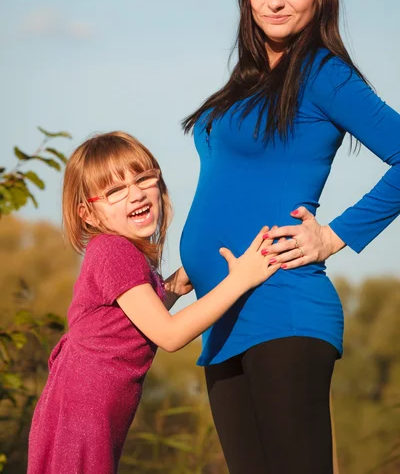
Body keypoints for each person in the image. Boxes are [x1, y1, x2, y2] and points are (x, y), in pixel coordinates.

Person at [180, 0, 400, 474]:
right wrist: (190, 268)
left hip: (284, 308)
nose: (274, 0)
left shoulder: (323, 74)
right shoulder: (249, 80)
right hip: (222, 317)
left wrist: (336, 236)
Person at [27, 131, 281, 474]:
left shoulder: (119, 253)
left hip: (80, 406)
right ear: (88, 214)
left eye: (143, 178)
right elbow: (169, 334)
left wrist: (175, 285)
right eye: (115, 191)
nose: (135, 194)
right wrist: (241, 279)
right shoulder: (113, 250)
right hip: (82, 412)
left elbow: (126, 321)